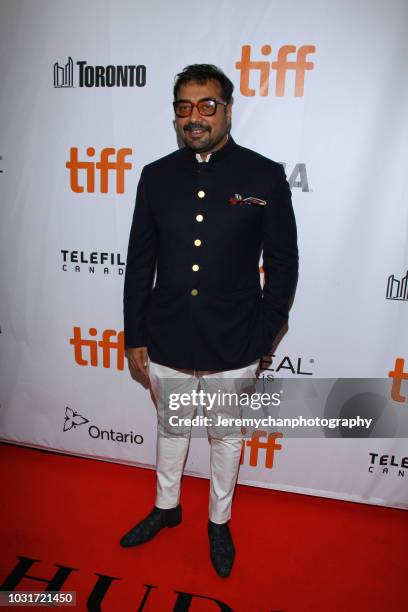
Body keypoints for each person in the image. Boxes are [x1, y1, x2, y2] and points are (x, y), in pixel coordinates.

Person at [120, 64, 298, 577]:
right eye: (184, 107)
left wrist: (266, 332)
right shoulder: (156, 176)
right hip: (169, 331)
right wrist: (136, 334)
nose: (194, 117)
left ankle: (218, 521)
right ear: (175, 113)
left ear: (226, 109)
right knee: (171, 427)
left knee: (226, 435)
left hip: (235, 336)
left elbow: (283, 263)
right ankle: (166, 507)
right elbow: (140, 261)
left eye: (206, 105)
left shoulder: (263, 174)